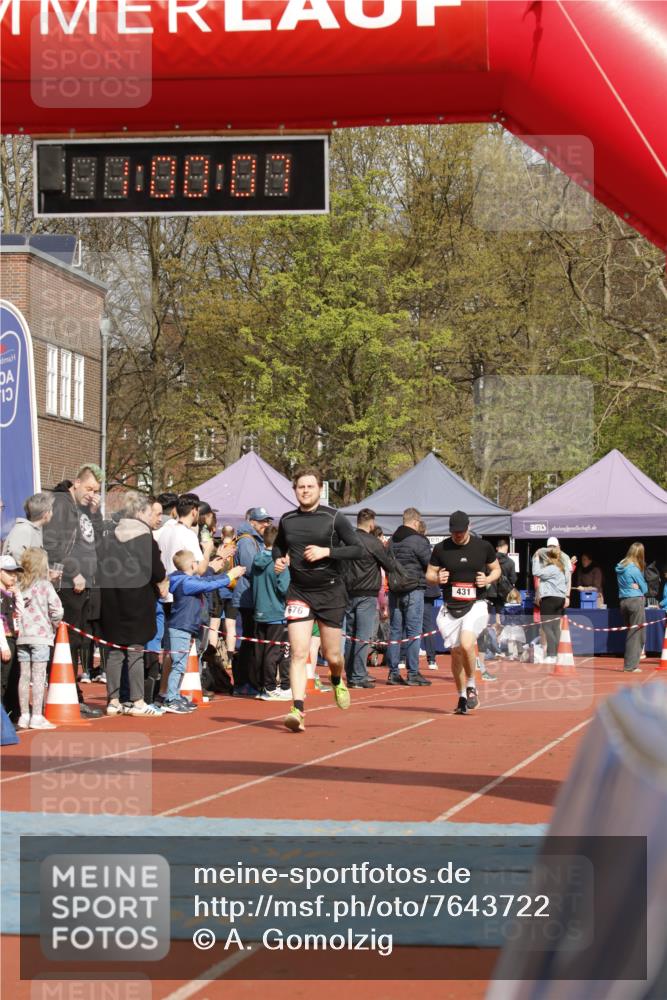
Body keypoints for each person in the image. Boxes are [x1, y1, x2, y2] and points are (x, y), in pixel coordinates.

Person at [273, 468, 363, 733]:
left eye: (310, 487)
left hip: (331, 592)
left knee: (332, 654)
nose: (305, 491)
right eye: (301, 487)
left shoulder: (334, 518)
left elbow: (357, 548)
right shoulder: (287, 519)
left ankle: (336, 679)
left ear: (319, 489)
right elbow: (279, 545)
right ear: (295, 490)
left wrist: (327, 551)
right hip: (299, 591)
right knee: (299, 652)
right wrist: (278, 558)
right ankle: (297, 709)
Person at [42, 464, 105, 719]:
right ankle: (66, 696)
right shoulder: (61, 503)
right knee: (66, 641)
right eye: (89, 488)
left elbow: (97, 540)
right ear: (76, 483)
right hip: (66, 584)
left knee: (77, 641)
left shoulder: (83, 509)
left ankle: (72, 694)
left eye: (97, 490)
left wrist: (95, 510)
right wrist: (72, 572)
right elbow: (52, 543)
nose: (92, 493)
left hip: (85, 583)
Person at [98, 492, 168, 717]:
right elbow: (157, 570)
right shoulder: (144, 537)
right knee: (136, 650)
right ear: (139, 513)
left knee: (115, 651)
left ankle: (114, 700)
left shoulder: (109, 536)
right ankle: (137, 700)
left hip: (112, 598)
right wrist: (161, 582)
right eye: (149, 513)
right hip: (137, 598)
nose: (151, 518)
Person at [426, 510, 501, 715]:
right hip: (451, 608)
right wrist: (436, 578)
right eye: (454, 532)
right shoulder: (441, 548)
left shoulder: (483, 547)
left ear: (469, 527)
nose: (457, 535)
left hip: (476, 604)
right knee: (456, 653)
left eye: (460, 531)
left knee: (467, 644)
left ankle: (471, 687)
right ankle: (461, 696)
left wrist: (487, 580)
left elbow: (496, 570)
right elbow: (429, 574)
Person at [166, 550, 245, 712]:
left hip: (186, 627)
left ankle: (174, 695)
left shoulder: (186, 580)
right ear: (192, 564)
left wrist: (223, 573)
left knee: (181, 664)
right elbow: (208, 585)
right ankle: (171, 698)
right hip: (181, 627)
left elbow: (208, 579)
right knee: (179, 664)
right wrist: (229, 576)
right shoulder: (186, 583)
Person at [342, 508, 399, 688]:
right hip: (366, 593)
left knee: (351, 635)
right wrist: (385, 547)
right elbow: (389, 565)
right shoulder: (373, 542)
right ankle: (358, 676)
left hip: (349, 591)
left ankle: (352, 673)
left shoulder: (347, 539)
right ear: (372, 523)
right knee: (363, 635)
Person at [16, 547, 63, 730]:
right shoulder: (45, 585)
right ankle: (36, 715)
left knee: (24, 676)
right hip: (41, 636)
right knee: (38, 676)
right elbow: (57, 609)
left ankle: (24, 715)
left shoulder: (20, 584)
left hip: (23, 635)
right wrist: (54, 623)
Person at [385, 508, 433, 687]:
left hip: (395, 589)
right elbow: (429, 563)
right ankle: (413, 672)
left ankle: (393, 672)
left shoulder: (391, 541)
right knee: (413, 631)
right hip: (414, 588)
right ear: (415, 522)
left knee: (395, 631)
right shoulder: (419, 540)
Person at [232, 507, 274, 696]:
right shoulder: (247, 541)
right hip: (246, 597)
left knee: (251, 641)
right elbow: (251, 568)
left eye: (267, 521)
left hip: (252, 596)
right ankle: (243, 683)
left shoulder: (254, 540)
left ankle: (249, 681)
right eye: (262, 521)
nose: (266, 524)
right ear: (252, 522)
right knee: (247, 643)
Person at [252, 524, 291, 700]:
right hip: (276, 612)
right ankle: (269, 687)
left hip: (259, 611)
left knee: (261, 652)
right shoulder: (279, 563)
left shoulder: (256, 559)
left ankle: (261, 686)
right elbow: (284, 588)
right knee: (273, 652)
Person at [532, 540, 571, 664]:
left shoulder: (552, 568)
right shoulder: (562, 568)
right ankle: (559, 653)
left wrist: (536, 559)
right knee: (555, 627)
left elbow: (536, 572)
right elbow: (567, 580)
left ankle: (551, 654)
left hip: (549, 598)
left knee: (547, 626)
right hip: (560, 598)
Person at [615, 542, 648, 674]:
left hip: (623, 601)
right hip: (635, 601)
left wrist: (634, 585)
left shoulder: (620, 566)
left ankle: (630, 664)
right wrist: (639, 586)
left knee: (631, 633)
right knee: (637, 634)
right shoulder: (634, 568)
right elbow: (645, 588)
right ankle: (630, 666)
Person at [1, 555, 25, 720]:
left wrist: (18, 595)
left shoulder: (10, 594)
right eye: (9, 572)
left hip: (13, 639)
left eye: (15, 572)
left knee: (13, 678)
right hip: (5, 640)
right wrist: (3, 645)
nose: (13, 576)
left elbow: (20, 615)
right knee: (2, 680)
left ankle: (12, 712)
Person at [2, 493, 54, 564]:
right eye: (51, 510)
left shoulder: (34, 530)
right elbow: (15, 558)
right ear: (45, 514)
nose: (52, 514)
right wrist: (30, 573)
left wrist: (45, 573)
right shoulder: (24, 529)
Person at [417, 518, 439, 671]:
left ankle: (403, 657)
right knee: (427, 625)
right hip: (427, 589)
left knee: (409, 624)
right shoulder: (427, 547)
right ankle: (431, 659)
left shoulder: (418, 545)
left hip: (419, 587)